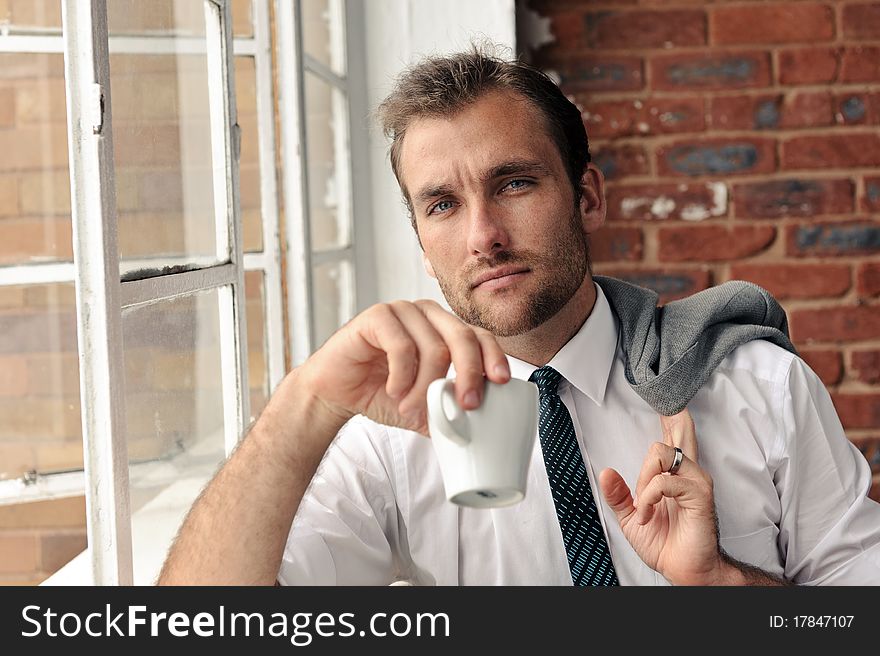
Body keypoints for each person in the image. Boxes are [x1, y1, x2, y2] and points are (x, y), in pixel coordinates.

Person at [158, 47, 880, 586]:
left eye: (515, 183)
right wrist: (304, 403)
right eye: (442, 204)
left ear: (586, 196)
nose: (483, 236)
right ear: (421, 237)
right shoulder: (386, 438)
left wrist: (720, 586)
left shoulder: (758, 386)